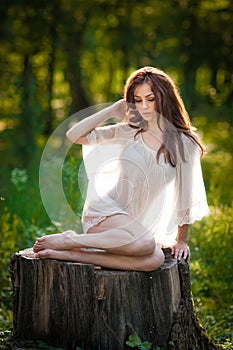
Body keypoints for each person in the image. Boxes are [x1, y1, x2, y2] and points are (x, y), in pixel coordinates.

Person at [33, 66, 210, 271]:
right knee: (146, 244)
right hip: (106, 213)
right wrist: (111, 110)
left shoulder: (184, 143)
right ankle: (71, 240)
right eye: (138, 100)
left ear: (165, 97)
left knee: (154, 260)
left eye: (151, 99)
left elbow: (184, 196)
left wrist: (182, 240)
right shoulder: (129, 131)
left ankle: (75, 254)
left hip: (137, 227)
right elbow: (74, 135)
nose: (144, 106)